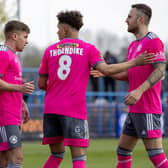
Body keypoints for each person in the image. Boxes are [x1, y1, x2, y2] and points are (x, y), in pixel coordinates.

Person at [38, 10, 153, 168]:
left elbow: (41, 84)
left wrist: (57, 88)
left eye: (58, 28)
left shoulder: (49, 50)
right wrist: (134, 62)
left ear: (65, 29)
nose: (57, 31)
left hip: (50, 109)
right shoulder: (88, 49)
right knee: (79, 158)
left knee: (56, 155)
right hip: (73, 110)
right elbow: (107, 70)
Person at [91, 3, 167, 168]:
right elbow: (130, 74)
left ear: (140, 19)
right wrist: (108, 72)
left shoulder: (153, 41)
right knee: (123, 151)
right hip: (134, 109)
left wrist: (139, 91)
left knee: (156, 155)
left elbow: (160, 69)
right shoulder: (133, 45)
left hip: (147, 108)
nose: (126, 20)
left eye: (130, 16)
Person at [0, 20, 34, 168]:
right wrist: (20, 88)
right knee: (16, 158)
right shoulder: (3, 53)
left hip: (12, 114)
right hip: (4, 115)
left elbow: (10, 83)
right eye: (25, 37)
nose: (26, 41)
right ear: (14, 36)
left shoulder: (13, 56)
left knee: (5, 160)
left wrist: (22, 103)